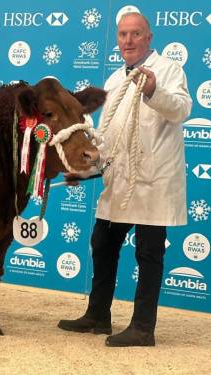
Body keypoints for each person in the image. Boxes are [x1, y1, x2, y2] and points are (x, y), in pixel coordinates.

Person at [57, 12, 192, 347]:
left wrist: (153, 90)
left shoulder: (169, 71)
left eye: (135, 34)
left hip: (153, 181)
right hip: (119, 182)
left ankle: (143, 328)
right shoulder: (116, 79)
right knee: (103, 245)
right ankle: (98, 315)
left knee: (149, 255)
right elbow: (108, 138)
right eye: (122, 34)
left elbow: (181, 109)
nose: (128, 41)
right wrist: (85, 170)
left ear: (149, 38)